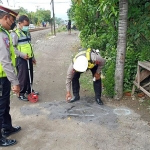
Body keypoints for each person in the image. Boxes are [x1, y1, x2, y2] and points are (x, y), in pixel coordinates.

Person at [0, 4, 21, 147]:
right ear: (6, 18)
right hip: (1, 78)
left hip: (3, 77)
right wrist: (15, 82)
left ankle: (7, 128)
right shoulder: (1, 35)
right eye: (12, 21)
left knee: (5, 104)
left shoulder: (4, 32)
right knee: (1, 107)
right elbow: (5, 61)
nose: (12, 24)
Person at [11, 15, 39, 101]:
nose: (27, 27)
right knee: (23, 77)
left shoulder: (27, 33)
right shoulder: (15, 34)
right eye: (25, 25)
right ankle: (21, 94)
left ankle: (29, 90)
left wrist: (33, 57)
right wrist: (22, 55)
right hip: (21, 59)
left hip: (29, 58)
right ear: (19, 23)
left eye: (28, 25)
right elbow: (13, 48)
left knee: (30, 75)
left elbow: (29, 45)